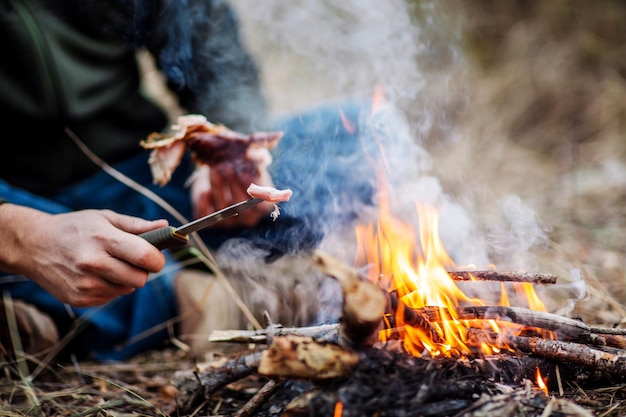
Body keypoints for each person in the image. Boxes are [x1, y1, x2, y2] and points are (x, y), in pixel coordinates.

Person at [0, 0, 376, 361]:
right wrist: (22, 238)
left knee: (368, 135)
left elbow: (200, 34)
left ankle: (56, 316)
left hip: (143, 183)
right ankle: (190, 304)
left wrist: (228, 147)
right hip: (21, 208)